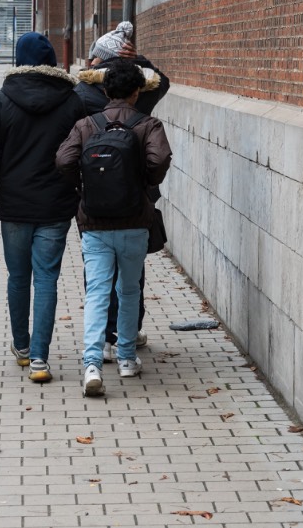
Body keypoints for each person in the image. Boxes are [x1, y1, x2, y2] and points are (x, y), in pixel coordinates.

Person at [0, 32, 85, 383]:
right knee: (48, 279)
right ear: (51, 61)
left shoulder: (1, 100)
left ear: (19, 60)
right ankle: (40, 359)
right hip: (56, 204)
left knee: (19, 277)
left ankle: (21, 347)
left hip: (15, 205)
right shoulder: (72, 101)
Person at [57, 59, 172, 396]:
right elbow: (159, 160)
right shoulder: (148, 124)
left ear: (105, 90)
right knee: (129, 289)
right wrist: (144, 186)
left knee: (97, 292)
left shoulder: (86, 124)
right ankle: (125, 359)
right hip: (135, 219)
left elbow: (64, 160)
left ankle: (92, 363)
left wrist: (82, 188)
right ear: (137, 92)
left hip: (94, 221)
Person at [74, 21, 171, 362]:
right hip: (136, 201)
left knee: (99, 274)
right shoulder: (142, 97)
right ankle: (126, 337)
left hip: (95, 201)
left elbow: (64, 156)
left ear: (97, 62)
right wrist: (139, 58)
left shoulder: (81, 96)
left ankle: (99, 339)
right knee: (131, 276)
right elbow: (163, 81)